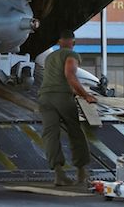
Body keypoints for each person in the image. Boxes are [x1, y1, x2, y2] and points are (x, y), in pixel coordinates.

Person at [38, 30, 97, 187]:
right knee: (75, 132)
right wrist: (86, 95)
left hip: (44, 97)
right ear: (73, 42)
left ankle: (59, 174)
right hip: (62, 97)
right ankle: (81, 173)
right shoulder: (71, 55)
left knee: (50, 134)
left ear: (59, 41)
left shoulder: (50, 57)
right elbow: (70, 75)